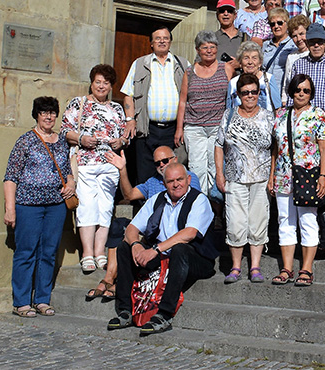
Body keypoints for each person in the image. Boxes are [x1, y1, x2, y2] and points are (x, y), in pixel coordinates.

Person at [107, 163, 218, 336]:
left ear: (188, 179)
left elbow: (189, 233)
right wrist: (136, 245)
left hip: (197, 258)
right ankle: (125, 311)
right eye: (171, 181)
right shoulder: (157, 199)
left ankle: (164, 314)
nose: (176, 184)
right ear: (164, 183)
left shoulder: (199, 199)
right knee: (124, 247)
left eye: (180, 179)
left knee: (180, 248)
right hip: (163, 258)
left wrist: (155, 249)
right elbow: (131, 228)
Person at [97, 146, 201, 302]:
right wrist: (122, 170)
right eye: (157, 163)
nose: (161, 165)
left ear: (175, 160)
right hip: (151, 230)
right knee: (120, 227)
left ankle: (121, 284)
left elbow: (190, 206)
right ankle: (109, 278)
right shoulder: (153, 181)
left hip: (172, 232)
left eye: (165, 161)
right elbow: (129, 195)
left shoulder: (186, 178)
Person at [4, 97, 75, 318]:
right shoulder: (25, 141)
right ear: (36, 115)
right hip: (28, 205)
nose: (48, 116)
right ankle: (22, 302)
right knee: (26, 252)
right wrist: (10, 208)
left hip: (55, 206)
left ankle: (42, 300)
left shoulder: (62, 141)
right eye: (44, 112)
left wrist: (71, 183)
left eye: (52, 112)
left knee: (48, 252)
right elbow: (10, 177)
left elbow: (67, 170)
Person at [62, 64, 127, 273]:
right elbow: (65, 131)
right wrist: (82, 138)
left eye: (106, 83)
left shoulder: (116, 108)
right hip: (85, 164)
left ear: (111, 86)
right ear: (91, 82)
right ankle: (87, 253)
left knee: (105, 208)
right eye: (98, 82)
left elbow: (124, 136)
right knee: (87, 207)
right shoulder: (78, 103)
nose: (101, 86)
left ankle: (100, 252)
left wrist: (120, 142)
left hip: (109, 164)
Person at [268, 74, 325, 286]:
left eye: (306, 90)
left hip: (309, 174)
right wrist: (271, 176)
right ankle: (287, 268)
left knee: (308, 220)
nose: (301, 94)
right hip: (283, 175)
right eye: (298, 90)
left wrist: (323, 176)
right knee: (284, 220)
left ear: (311, 93)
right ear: (291, 91)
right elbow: (275, 149)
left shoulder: (319, 115)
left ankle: (306, 268)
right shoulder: (280, 115)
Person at [215, 74, 275, 283]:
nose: (250, 96)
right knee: (235, 222)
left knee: (258, 221)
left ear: (259, 93)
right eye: (245, 92)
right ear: (238, 94)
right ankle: (236, 267)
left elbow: (275, 148)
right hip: (235, 177)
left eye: (253, 92)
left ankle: (255, 267)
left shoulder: (269, 116)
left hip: (261, 177)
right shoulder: (229, 115)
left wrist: (272, 176)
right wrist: (219, 172)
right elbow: (219, 145)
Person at [121, 26, 189, 184]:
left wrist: (183, 127)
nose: (162, 41)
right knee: (145, 173)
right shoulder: (139, 64)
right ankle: (145, 207)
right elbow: (127, 94)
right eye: (158, 38)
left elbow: (190, 96)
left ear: (170, 42)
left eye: (165, 38)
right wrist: (130, 119)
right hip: (146, 129)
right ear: (151, 43)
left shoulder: (183, 64)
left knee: (172, 174)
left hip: (174, 130)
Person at [175, 31, 234, 195]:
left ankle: (214, 208)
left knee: (215, 169)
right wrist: (179, 128)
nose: (209, 50)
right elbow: (183, 101)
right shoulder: (190, 72)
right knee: (196, 168)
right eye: (205, 47)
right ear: (197, 50)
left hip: (217, 127)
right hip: (194, 128)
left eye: (212, 47)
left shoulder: (227, 69)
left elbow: (233, 98)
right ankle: (198, 205)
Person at [228, 42, 282, 112]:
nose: (250, 62)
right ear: (240, 63)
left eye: (254, 58)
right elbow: (228, 110)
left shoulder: (268, 79)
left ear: (260, 63)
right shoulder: (233, 83)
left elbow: (277, 108)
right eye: (246, 58)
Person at [262, 7, 296, 91]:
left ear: (287, 24)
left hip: (283, 91)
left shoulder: (293, 45)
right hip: (266, 91)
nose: (276, 26)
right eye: (272, 24)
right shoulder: (265, 45)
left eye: (280, 23)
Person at [282, 15, 311, 103]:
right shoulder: (291, 57)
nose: (299, 39)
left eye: (301, 34)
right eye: (294, 36)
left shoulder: (316, 53)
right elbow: (286, 83)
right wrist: (284, 101)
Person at [214, 0, 242, 75]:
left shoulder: (245, 38)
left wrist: (240, 65)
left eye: (229, 11)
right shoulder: (211, 39)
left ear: (235, 15)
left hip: (239, 84)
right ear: (217, 15)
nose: (226, 14)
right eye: (222, 11)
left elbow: (256, 64)